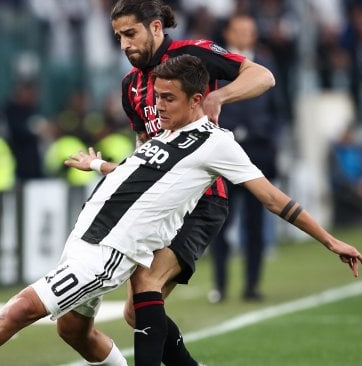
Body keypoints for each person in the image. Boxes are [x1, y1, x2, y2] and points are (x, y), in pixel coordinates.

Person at [0, 55, 362, 366]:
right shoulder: (166, 134)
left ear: (197, 99)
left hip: (108, 252)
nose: (157, 106)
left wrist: (329, 240)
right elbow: (141, 175)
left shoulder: (218, 144)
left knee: (23, 307)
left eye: (168, 99)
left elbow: (273, 197)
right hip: (86, 236)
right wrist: (99, 164)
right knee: (73, 332)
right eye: (157, 96)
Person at [93, 1, 276, 365]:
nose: (124, 44)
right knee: (136, 312)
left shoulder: (193, 55)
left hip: (202, 198)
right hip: (160, 205)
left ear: (156, 28)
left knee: (147, 286)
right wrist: (104, 167)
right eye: (118, 37)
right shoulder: (130, 85)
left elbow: (263, 76)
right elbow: (145, 149)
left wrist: (217, 95)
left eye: (131, 33)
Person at [209, 13, 288, 303]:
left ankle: (252, 286)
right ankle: (220, 285)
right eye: (239, 30)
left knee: (255, 225)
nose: (245, 35)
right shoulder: (216, 65)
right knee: (219, 222)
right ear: (228, 33)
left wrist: (271, 140)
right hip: (224, 153)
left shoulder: (266, 65)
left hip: (257, 152)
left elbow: (278, 110)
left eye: (249, 30)